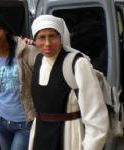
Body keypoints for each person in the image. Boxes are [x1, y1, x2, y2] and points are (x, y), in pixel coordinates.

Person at [29, 14, 109, 150]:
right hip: (40, 135)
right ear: (34, 40)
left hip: (69, 136)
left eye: (52, 36)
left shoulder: (77, 64)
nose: (47, 43)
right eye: (42, 37)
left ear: (61, 37)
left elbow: (95, 115)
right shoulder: (38, 60)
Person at [0, 12, 38, 150]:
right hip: (0, 120)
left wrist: (37, 44)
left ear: (5, 29)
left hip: (24, 123)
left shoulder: (27, 51)